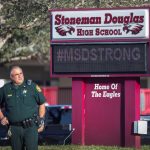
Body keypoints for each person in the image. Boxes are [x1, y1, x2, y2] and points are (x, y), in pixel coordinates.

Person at [0, 66, 46, 150]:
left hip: (31, 127)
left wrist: (41, 119)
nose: (20, 76)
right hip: (14, 128)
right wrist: (2, 117)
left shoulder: (32, 87)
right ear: (11, 77)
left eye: (21, 73)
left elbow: (42, 103)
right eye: (17, 74)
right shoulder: (5, 89)